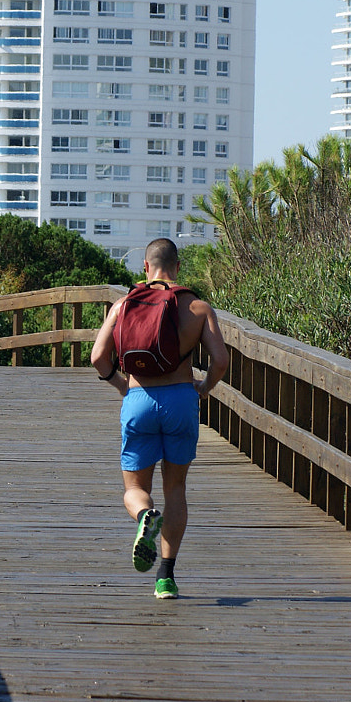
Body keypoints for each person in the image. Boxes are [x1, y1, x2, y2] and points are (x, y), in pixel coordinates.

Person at [89, 238, 229, 599]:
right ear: (178, 268)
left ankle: (143, 518)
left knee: (135, 490)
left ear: (146, 268)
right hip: (182, 400)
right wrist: (204, 387)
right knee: (176, 489)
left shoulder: (124, 304)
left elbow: (98, 358)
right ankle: (165, 577)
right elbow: (221, 360)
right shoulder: (197, 307)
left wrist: (122, 386)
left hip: (139, 399)